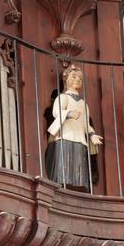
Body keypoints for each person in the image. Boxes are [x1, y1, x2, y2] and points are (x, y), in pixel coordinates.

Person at [45, 64, 102, 192]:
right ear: (66, 80)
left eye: (80, 78)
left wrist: (92, 135)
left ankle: (77, 187)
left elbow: (86, 124)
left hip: (80, 138)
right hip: (65, 136)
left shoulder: (83, 103)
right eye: (74, 76)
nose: (78, 79)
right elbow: (56, 112)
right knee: (64, 166)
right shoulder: (63, 97)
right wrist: (68, 114)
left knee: (78, 168)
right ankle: (62, 184)